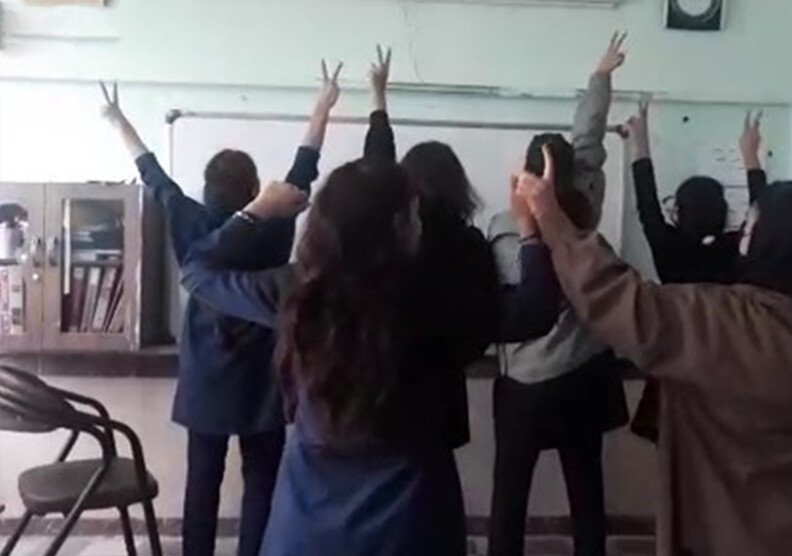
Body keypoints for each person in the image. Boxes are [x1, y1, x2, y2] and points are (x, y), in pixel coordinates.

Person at [515, 146, 792, 556]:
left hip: (717, 537)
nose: (743, 233)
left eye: (751, 224)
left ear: (773, 241)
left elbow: (611, 292)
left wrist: (550, 217)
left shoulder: (712, 321)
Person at [179, 157, 561, 554]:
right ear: (399, 228)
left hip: (306, 526)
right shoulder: (435, 302)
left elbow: (196, 271)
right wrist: (531, 226)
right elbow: (535, 309)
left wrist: (258, 208)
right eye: (414, 215)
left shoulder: (300, 292)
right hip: (411, 527)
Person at [99, 60, 341, 556]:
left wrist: (119, 121)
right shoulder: (275, 223)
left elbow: (152, 173)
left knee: (202, 482)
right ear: (254, 190)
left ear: (207, 187)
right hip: (264, 377)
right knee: (262, 479)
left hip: (206, 377)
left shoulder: (188, 220)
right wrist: (322, 107)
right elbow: (304, 168)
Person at [361, 44, 555, 449]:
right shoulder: (467, 248)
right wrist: (528, 227)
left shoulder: (386, 243)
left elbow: (377, 171)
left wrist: (378, 99)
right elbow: (530, 314)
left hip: (378, 409)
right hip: (437, 413)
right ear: (458, 186)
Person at [486, 33, 630, 556]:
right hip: (584, 376)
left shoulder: (505, 228)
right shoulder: (586, 204)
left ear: (526, 174)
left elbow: (509, 306)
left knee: (509, 497)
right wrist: (601, 76)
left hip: (526, 384)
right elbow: (588, 141)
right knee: (587, 493)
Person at [624, 105, 769, 442]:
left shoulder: (668, 249)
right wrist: (750, 156)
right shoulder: (735, 249)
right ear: (723, 211)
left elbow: (647, 205)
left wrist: (640, 143)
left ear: (679, 210)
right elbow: (761, 212)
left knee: (672, 458)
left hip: (674, 368)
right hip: (725, 370)